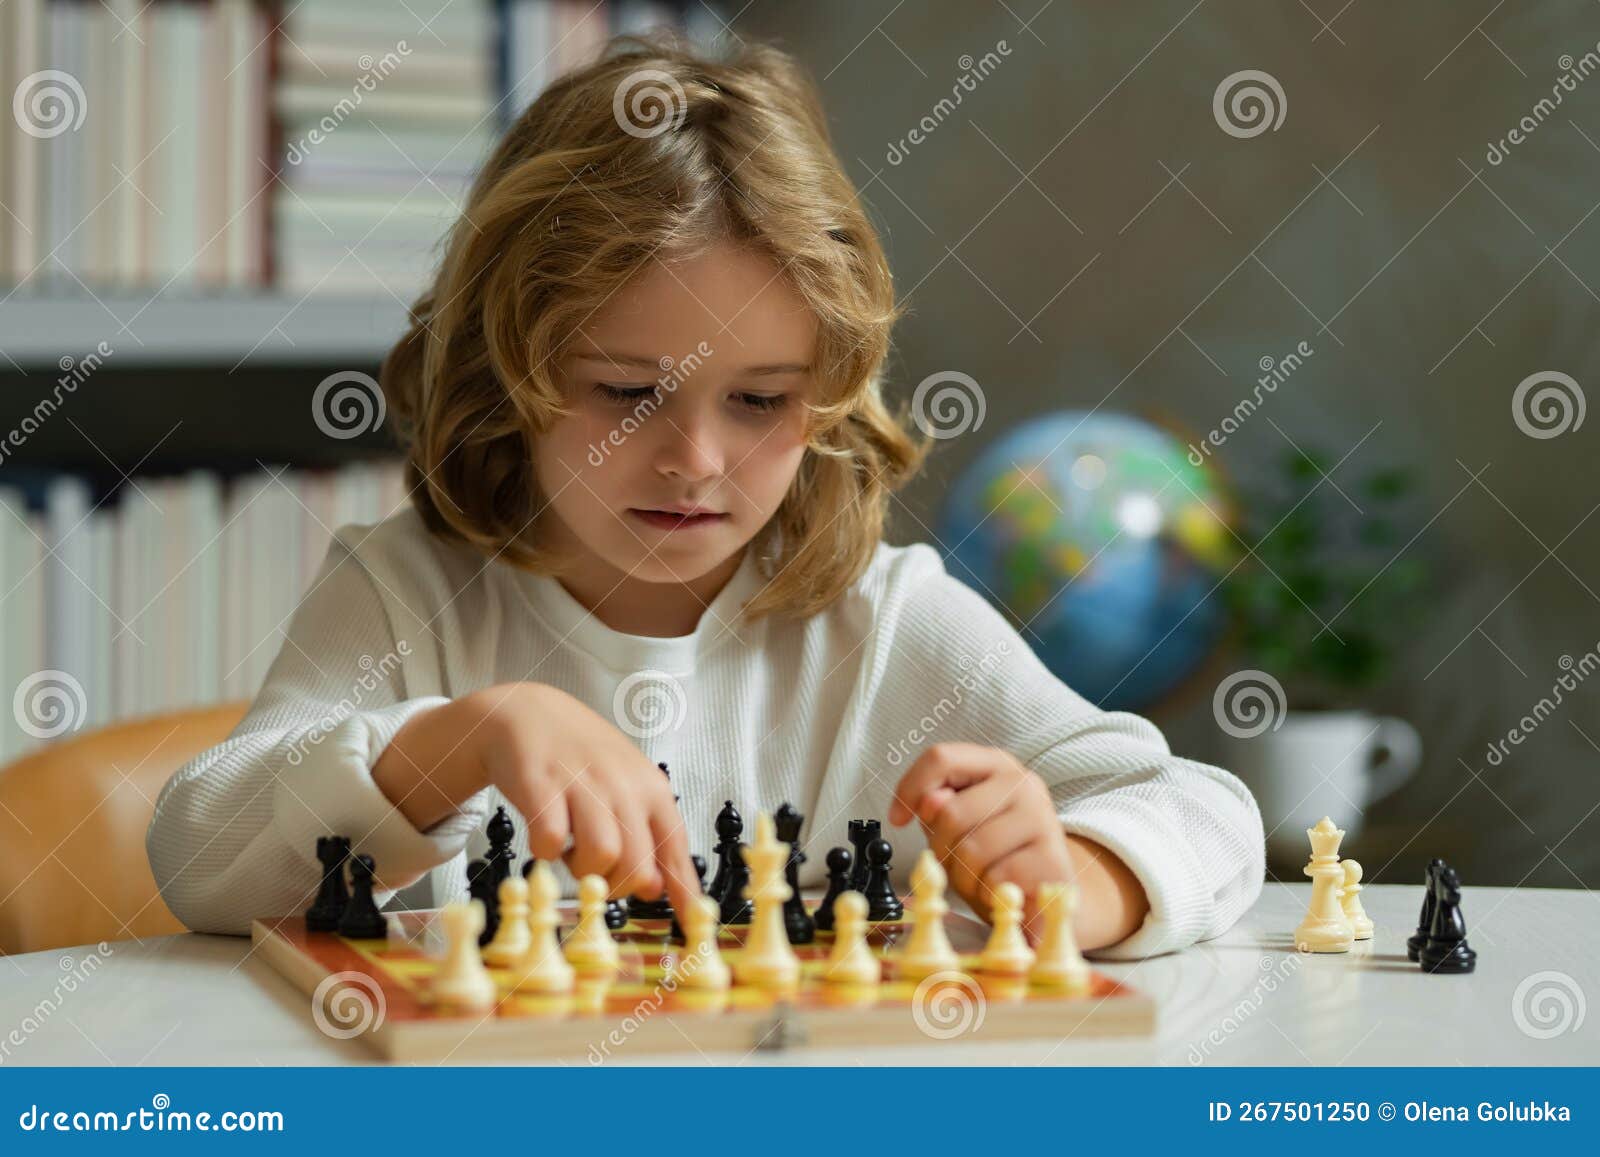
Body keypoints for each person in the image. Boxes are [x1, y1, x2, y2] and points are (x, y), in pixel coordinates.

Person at [147, 33, 1262, 958]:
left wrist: (1081, 870)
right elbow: (199, 855)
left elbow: (1209, 812)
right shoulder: (405, 594)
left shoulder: (886, 625)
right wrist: (458, 739)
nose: (694, 458)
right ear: (508, 372)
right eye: (627, 390)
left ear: (830, 394)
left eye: (761, 399)